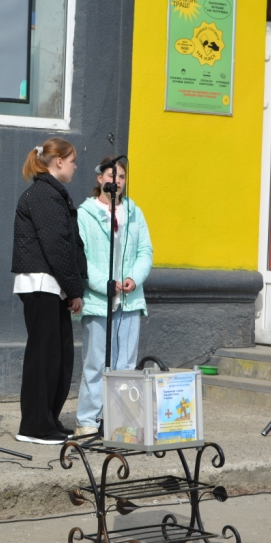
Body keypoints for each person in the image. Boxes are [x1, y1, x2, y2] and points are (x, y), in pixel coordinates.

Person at [11, 138, 87, 444]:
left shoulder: (52, 193)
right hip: (42, 285)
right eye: (72, 161)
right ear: (58, 162)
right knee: (43, 356)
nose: (75, 166)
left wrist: (71, 287)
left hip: (53, 286)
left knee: (59, 356)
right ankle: (34, 427)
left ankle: (48, 420)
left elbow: (66, 244)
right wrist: (75, 289)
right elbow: (57, 246)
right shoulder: (43, 194)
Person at [74, 157, 153, 436]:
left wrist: (134, 278)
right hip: (100, 300)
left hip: (130, 299)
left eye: (121, 177)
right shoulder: (85, 213)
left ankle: (121, 421)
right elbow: (81, 256)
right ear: (100, 179)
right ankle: (88, 420)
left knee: (125, 365)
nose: (117, 181)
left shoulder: (134, 212)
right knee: (96, 362)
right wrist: (103, 284)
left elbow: (145, 251)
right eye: (112, 175)